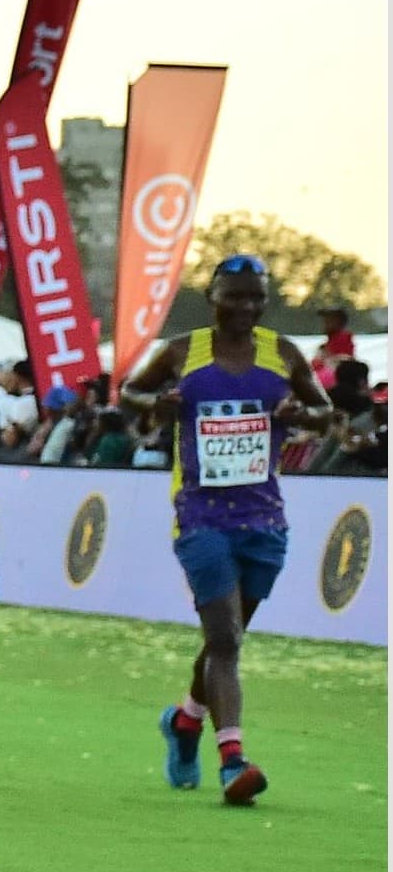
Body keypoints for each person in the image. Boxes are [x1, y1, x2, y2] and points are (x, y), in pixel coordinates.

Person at [122, 253, 332, 805]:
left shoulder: (281, 353)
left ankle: (185, 722)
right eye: (235, 296)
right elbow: (128, 393)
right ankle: (232, 759)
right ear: (212, 296)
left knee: (228, 637)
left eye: (256, 297)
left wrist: (300, 415)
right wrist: (157, 403)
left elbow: (324, 411)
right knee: (224, 639)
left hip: (264, 518)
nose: (245, 307)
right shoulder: (180, 351)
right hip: (200, 515)